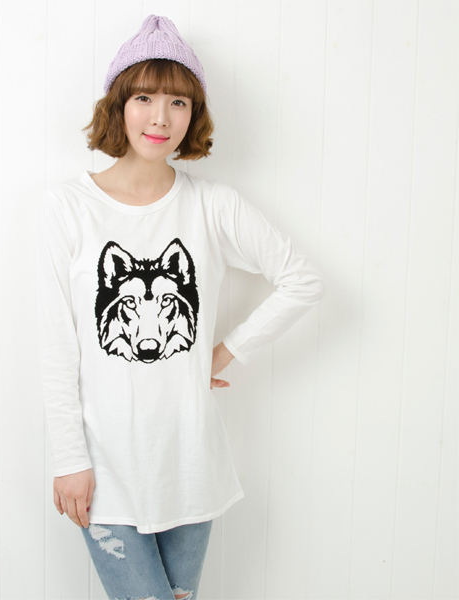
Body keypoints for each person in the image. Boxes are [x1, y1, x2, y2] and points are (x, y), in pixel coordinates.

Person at [35, 14, 327, 600]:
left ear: (194, 115)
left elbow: (302, 279)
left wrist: (226, 351)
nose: (161, 118)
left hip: (192, 468)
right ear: (119, 105)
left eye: (178, 102)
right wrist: (69, 459)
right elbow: (56, 345)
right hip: (104, 469)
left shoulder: (214, 206)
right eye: (144, 98)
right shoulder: (68, 207)